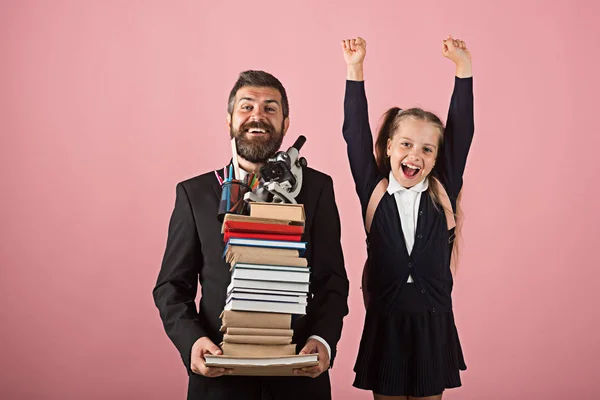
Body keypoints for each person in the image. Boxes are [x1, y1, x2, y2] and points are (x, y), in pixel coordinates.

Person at [153, 70, 349, 400]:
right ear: (230, 119)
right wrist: (194, 343)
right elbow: (171, 287)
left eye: (270, 108)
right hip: (219, 380)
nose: (257, 115)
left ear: (286, 124)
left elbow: (331, 280)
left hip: (299, 378)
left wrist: (323, 340)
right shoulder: (194, 193)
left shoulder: (317, 189)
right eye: (247, 106)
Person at [340, 36, 474, 399]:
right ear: (388, 147)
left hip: (433, 321)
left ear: (435, 159)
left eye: (427, 149)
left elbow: (462, 132)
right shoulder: (375, 191)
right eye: (406, 144)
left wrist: (463, 70)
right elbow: (354, 134)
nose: (415, 155)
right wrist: (355, 70)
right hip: (387, 320)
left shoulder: (442, 192)